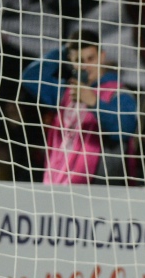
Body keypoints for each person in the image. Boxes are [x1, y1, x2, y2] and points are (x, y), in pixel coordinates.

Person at [21, 29, 138, 185]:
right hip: (57, 184)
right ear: (71, 61)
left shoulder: (118, 93)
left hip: (97, 190)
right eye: (79, 60)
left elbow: (125, 129)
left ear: (102, 56)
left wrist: (94, 103)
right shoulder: (66, 92)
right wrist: (65, 51)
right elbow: (30, 77)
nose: (85, 66)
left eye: (90, 58)